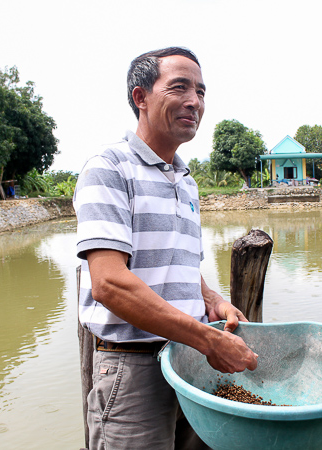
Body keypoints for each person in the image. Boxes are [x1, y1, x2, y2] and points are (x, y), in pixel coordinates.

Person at [73, 47, 258, 449]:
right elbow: (110, 284)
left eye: (201, 91)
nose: (195, 101)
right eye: (179, 88)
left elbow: (179, 263)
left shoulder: (186, 181)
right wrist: (210, 341)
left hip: (190, 362)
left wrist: (211, 298)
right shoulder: (109, 169)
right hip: (134, 367)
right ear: (140, 97)